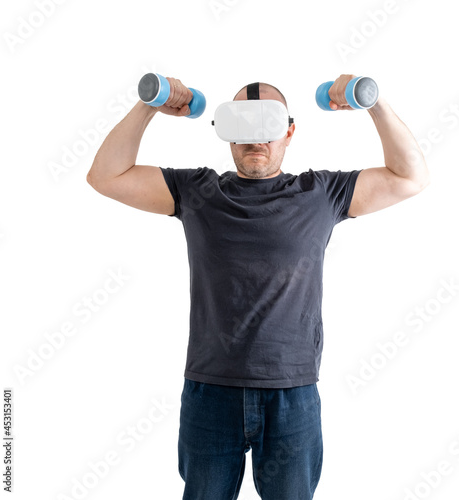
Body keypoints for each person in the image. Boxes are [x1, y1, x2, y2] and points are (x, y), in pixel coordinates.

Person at [87, 74, 429, 500]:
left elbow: (410, 177)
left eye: (267, 126)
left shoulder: (321, 193)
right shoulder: (196, 191)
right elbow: (105, 176)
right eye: (243, 125)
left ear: (289, 132)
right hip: (210, 392)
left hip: (292, 393)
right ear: (226, 134)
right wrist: (150, 106)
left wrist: (371, 101)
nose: (256, 139)